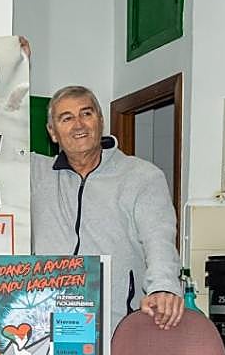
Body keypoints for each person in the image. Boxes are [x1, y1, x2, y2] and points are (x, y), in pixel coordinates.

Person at [31, 85, 182, 331]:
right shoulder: (35, 174)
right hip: (47, 325)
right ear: (52, 132)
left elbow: (159, 239)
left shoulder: (142, 176)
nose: (78, 125)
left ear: (100, 121)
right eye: (66, 118)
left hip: (116, 327)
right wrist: (9, 60)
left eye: (86, 114)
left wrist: (163, 287)